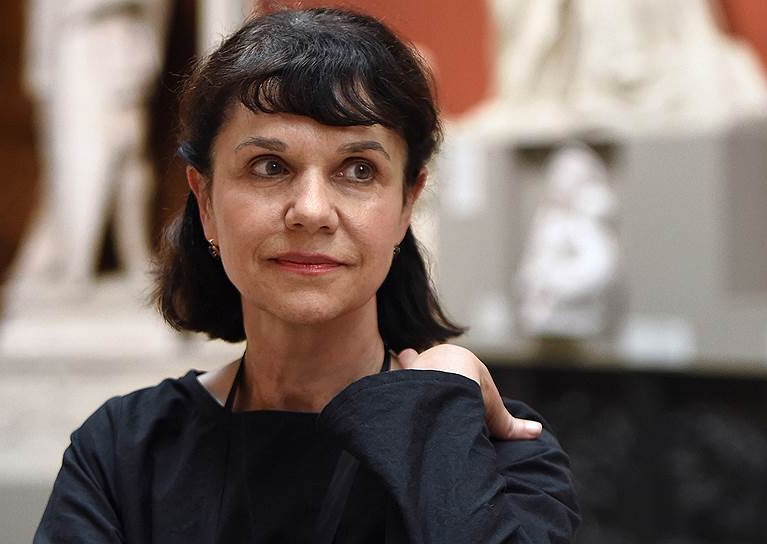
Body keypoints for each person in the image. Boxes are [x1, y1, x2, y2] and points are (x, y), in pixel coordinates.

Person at [35, 7, 580, 543]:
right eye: (270, 167)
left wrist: (437, 417)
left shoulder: (501, 453)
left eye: (358, 170)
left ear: (407, 204)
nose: (312, 211)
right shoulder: (124, 452)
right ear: (205, 201)